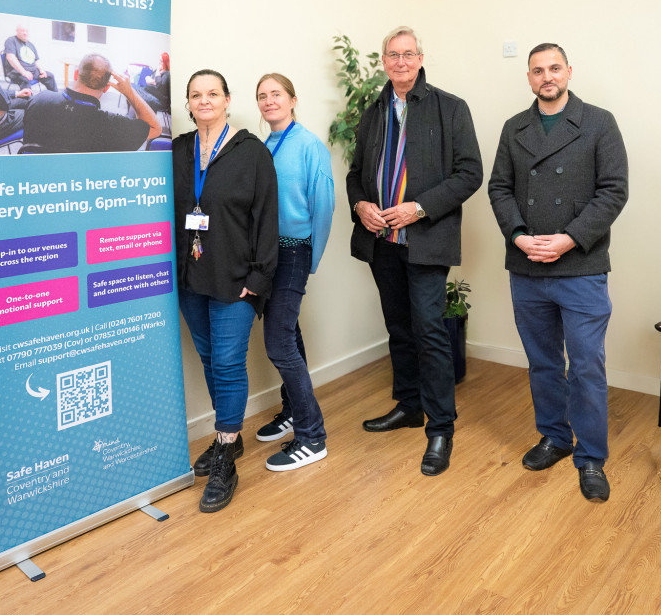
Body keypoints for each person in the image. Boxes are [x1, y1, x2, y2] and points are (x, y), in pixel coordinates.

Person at [487, 42, 628, 503]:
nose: (546, 76)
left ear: (569, 71)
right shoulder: (514, 128)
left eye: (553, 68)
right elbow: (500, 188)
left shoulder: (598, 122)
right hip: (527, 264)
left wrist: (569, 237)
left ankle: (590, 457)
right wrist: (518, 234)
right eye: (537, 70)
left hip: (581, 265)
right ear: (528, 78)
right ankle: (554, 436)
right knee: (544, 361)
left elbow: (613, 191)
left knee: (586, 365)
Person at [346, 26, 483, 476]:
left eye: (408, 54)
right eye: (392, 55)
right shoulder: (373, 111)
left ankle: (441, 426)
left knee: (429, 331)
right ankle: (408, 406)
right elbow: (355, 173)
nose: (400, 62)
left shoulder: (451, 108)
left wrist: (419, 208)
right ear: (384, 61)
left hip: (425, 241)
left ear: (420, 58)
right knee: (398, 328)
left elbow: (470, 174)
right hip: (382, 241)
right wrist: (360, 204)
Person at [173, 69, 279, 512]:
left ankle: (225, 461)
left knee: (230, 362)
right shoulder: (177, 150)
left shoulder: (251, 152)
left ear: (228, 99)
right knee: (210, 359)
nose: (204, 101)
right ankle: (227, 440)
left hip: (236, 279)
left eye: (212, 93)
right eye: (196, 95)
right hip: (191, 277)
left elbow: (267, 218)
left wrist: (257, 280)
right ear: (188, 103)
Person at [254, 73, 335, 471]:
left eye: (276, 95)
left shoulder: (308, 145)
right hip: (267, 255)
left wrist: (310, 257)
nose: (269, 101)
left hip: (293, 251)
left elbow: (324, 205)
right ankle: (291, 411)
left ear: (292, 100)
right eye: (263, 96)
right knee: (289, 332)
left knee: (278, 342)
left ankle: (312, 435)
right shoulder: (262, 146)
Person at [20, 53, 162, 153]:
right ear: (107, 87)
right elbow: (155, 128)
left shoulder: (38, 100)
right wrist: (130, 92)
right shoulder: (112, 125)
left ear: (76, 74)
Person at [4, 24, 58, 91]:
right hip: (17, 72)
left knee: (49, 76)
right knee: (25, 80)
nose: (25, 33)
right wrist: (24, 72)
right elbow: (10, 57)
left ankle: (56, 98)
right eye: (22, 31)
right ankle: (28, 100)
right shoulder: (11, 41)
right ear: (17, 31)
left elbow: (36, 60)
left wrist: (41, 70)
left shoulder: (30, 44)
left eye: (27, 31)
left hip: (33, 71)